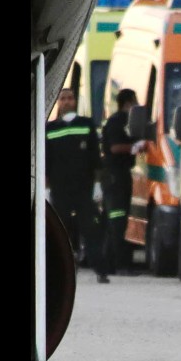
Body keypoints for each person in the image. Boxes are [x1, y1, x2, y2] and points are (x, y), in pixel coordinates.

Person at [45, 87, 111, 284]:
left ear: (75, 101)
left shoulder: (86, 125)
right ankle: (56, 271)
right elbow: (46, 161)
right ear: (58, 102)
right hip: (60, 190)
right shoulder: (50, 128)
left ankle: (100, 270)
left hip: (84, 189)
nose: (66, 102)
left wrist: (97, 186)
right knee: (59, 232)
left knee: (91, 230)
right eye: (63, 98)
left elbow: (95, 159)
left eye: (70, 98)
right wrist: (47, 189)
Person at [99, 88, 143, 276]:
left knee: (115, 222)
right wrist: (134, 147)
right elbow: (116, 147)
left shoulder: (117, 120)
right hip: (115, 176)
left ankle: (110, 264)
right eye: (135, 101)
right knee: (118, 221)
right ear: (128, 102)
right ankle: (121, 264)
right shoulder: (118, 121)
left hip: (118, 175)